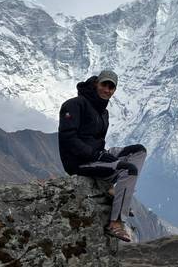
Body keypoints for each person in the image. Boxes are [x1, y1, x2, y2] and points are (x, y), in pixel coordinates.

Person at [58, 70, 147, 242]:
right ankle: (115, 223)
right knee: (128, 170)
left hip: (97, 155)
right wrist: (95, 154)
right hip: (79, 162)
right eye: (104, 85)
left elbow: (96, 140)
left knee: (139, 151)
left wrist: (103, 154)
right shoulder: (74, 105)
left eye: (111, 87)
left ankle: (117, 191)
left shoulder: (102, 112)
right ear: (95, 84)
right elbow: (68, 139)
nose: (107, 90)